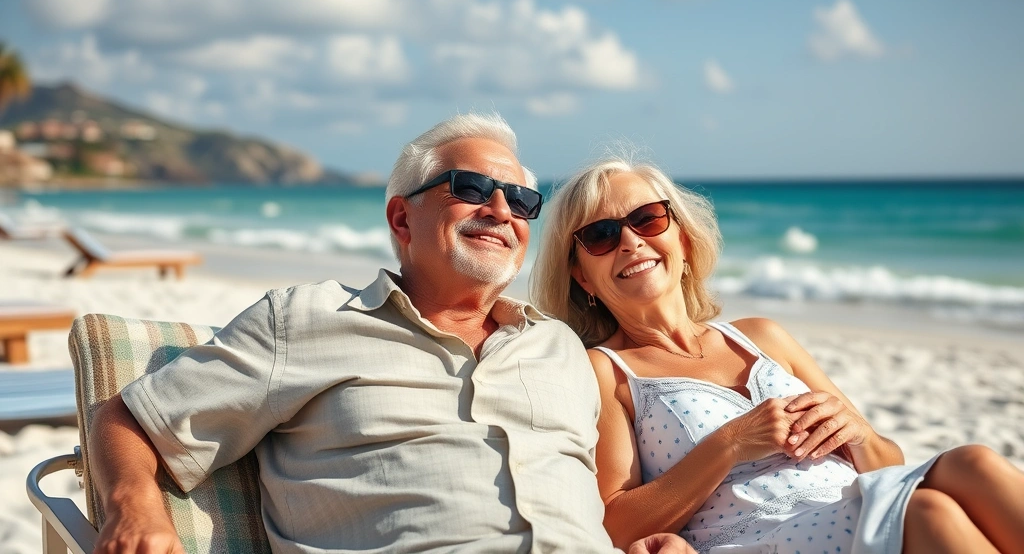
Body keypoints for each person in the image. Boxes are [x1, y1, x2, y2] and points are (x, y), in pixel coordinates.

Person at [88, 114, 693, 554]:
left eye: (520, 199)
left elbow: (596, 504)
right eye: (472, 189)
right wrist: (135, 505)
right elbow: (130, 417)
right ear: (403, 217)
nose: (501, 211)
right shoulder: (306, 323)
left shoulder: (560, 348)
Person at [530, 155, 1024, 554]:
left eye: (647, 218)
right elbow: (615, 524)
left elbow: (886, 461)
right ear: (580, 277)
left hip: (856, 497)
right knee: (929, 512)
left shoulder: (762, 335)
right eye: (600, 235)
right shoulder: (606, 370)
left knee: (974, 463)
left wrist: (855, 432)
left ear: (680, 236)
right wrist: (731, 444)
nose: (631, 241)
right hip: (762, 532)